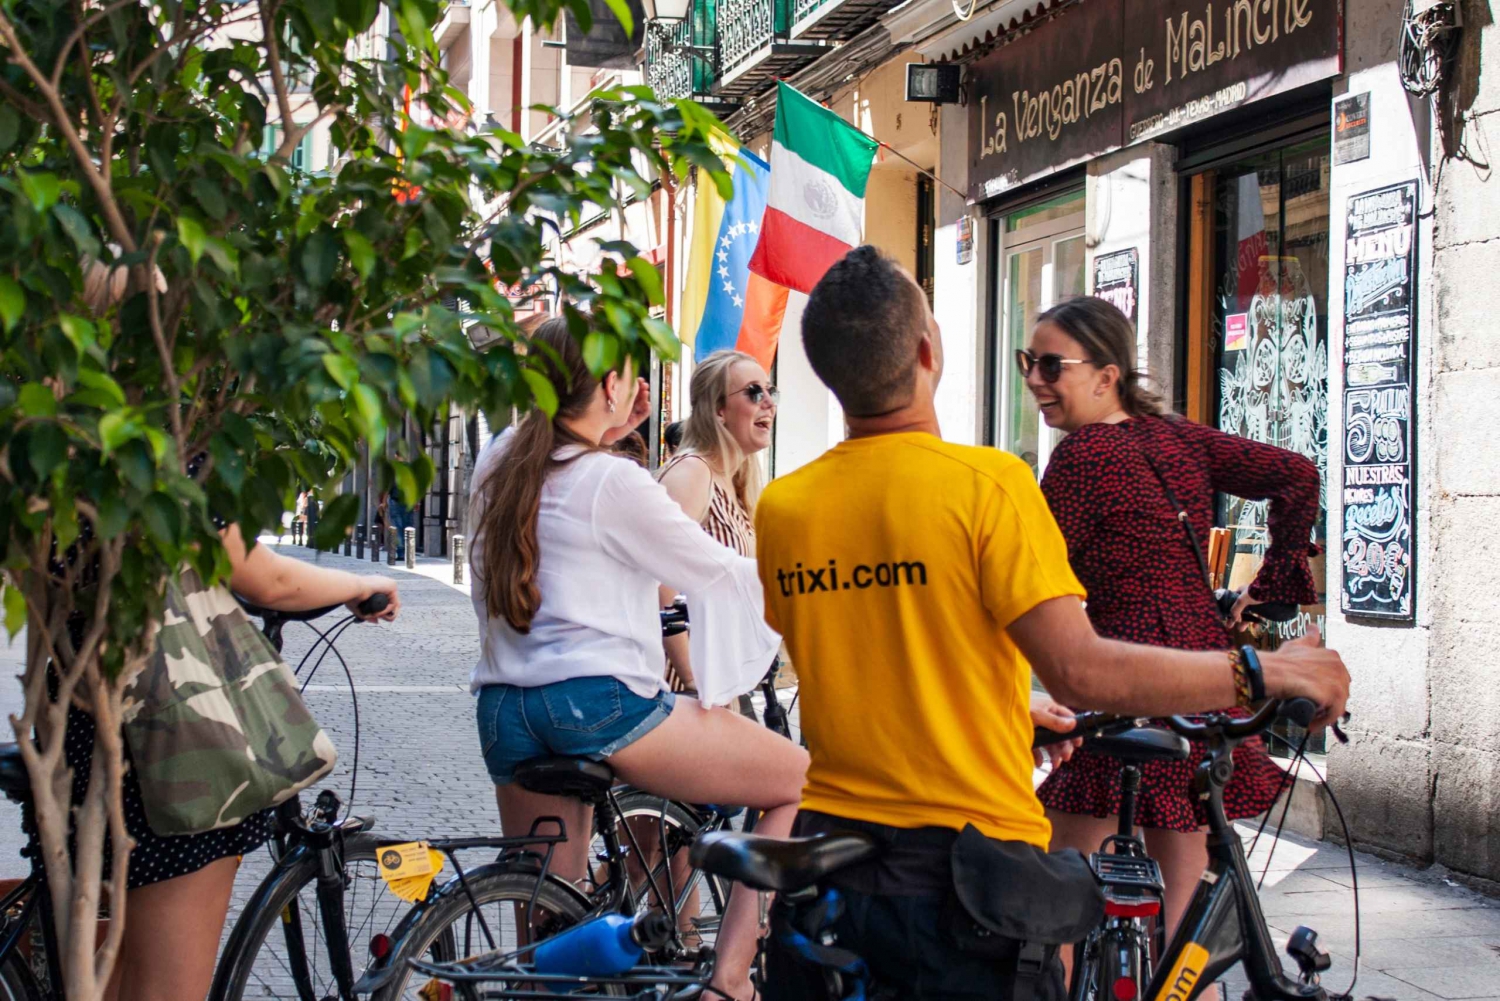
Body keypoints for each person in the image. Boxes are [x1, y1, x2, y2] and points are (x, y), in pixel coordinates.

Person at [753, 246, 1350, 1000]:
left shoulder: (782, 507)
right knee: (1173, 889)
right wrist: (1267, 664)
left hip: (830, 865)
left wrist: (1012, 704)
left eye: (1047, 363)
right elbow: (1080, 668)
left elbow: (880, 645)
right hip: (963, 880)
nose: (1034, 377)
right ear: (928, 351)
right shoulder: (989, 486)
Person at [466, 318, 809, 1001]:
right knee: (799, 778)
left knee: (547, 922)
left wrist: (614, 422)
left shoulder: (500, 456)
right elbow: (717, 572)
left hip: (504, 706)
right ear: (615, 383)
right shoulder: (612, 481)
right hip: (597, 706)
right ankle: (731, 979)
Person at [1022, 295, 1322, 956]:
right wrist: (1273, 592)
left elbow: (1029, 581)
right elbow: (1299, 475)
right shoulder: (1180, 437)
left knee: (1058, 918)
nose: (1035, 380)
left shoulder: (1080, 458)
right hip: (1202, 683)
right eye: (1027, 363)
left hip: (1126, 683)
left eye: (1050, 364)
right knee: (1186, 936)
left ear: (1105, 375)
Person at [57, 523, 400, 1001]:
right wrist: (362, 586)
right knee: (165, 987)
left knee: (124, 967)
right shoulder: (172, 455)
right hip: (167, 740)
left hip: (85, 717)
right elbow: (267, 579)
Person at [656, 350, 776, 696]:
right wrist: (693, 681)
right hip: (682, 690)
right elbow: (659, 590)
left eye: (771, 391)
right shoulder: (693, 473)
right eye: (754, 392)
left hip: (722, 681)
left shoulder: (739, 478)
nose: (768, 402)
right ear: (718, 410)